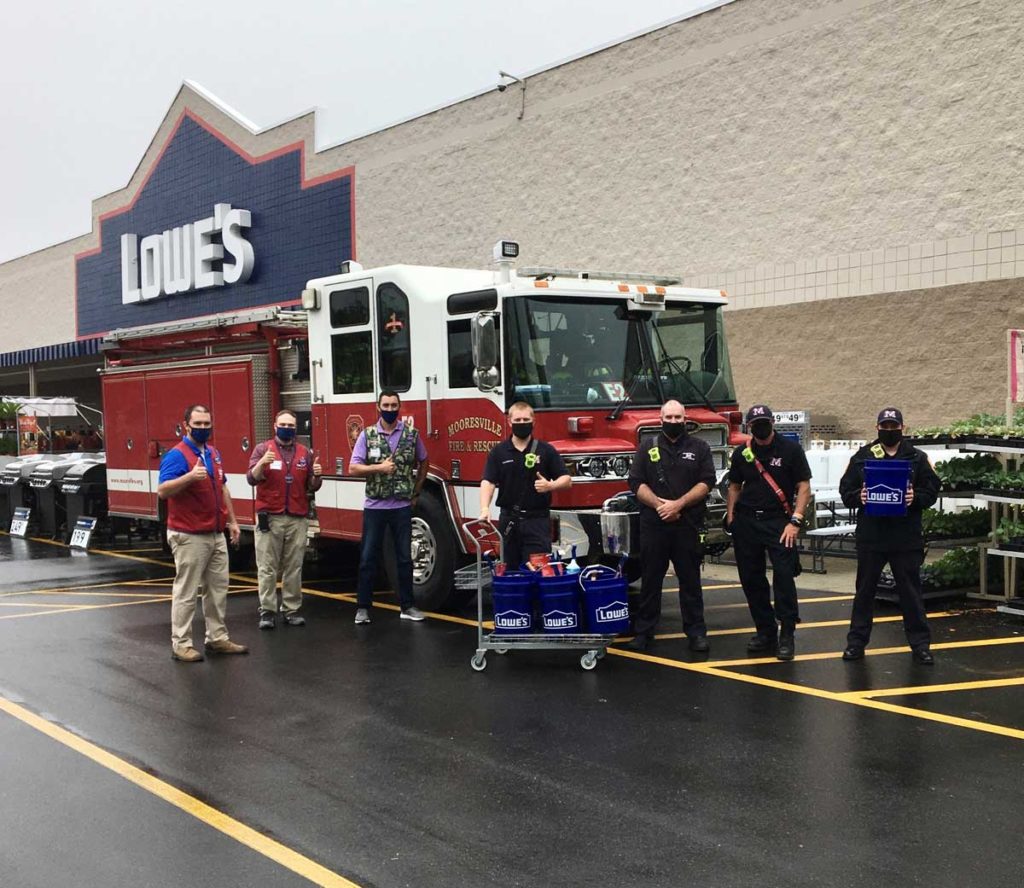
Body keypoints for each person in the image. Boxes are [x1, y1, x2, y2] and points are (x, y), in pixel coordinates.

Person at [839, 407, 941, 664]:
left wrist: (914, 498)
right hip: (872, 537)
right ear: (877, 429)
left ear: (902, 428)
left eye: (893, 427)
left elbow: (931, 491)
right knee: (864, 592)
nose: (889, 431)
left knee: (910, 593)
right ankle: (856, 643)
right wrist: (857, 498)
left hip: (905, 538)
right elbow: (846, 489)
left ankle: (920, 646)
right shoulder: (862, 457)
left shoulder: (917, 458)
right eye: (884, 427)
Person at [157, 404, 248, 662]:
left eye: (207, 424)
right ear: (186, 425)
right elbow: (163, 491)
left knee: (218, 589)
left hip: (215, 533)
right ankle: (181, 644)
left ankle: (217, 638)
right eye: (198, 424)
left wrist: (232, 521)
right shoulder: (177, 455)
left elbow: (224, 489)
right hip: (189, 535)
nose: (203, 428)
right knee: (186, 591)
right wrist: (190, 477)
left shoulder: (213, 453)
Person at [626, 399, 716, 653]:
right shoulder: (647, 447)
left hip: (687, 524)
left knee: (690, 582)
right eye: (670, 417)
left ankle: (697, 633)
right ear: (661, 418)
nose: (674, 422)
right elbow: (636, 482)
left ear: (685, 419)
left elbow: (706, 482)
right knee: (651, 581)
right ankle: (644, 633)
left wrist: (678, 505)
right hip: (654, 525)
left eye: (679, 418)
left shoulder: (699, 447)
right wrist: (659, 506)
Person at [725, 404, 812, 661]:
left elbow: (804, 486)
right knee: (751, 579)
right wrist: (731, 517)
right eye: (755, 423)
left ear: (772, 422)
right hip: (747, 523)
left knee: (784, 578)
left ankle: (787, 634)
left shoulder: (790, 450)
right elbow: (734, 485)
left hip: (780, 523)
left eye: (764, 421)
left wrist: (795, 521)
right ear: (749, 427)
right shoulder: (742, 454)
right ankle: (765, 631)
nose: (760, 426)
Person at [349, 391, 429, 625]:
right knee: (368, 558)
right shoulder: (368, 435)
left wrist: (416, 491)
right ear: (378, 407)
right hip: (375, 506)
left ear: (400, 406)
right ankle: (363, 607)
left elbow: (424, 460)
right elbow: (354, 468)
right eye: (386, 405)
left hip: (402, 506)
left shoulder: (412, 435)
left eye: (394, 405)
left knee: (405, 558)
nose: (390, 409)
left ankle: (407, 606)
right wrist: (379, 468)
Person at [247, 409, 323, 630]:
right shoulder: (262, 449)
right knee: (267, 566)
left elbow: (312, 485)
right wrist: (262, 462)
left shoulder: (304, 452)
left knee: (294, 566)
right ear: (275, 426)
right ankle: (267, 611)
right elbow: (251, 477)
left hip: (297, 517)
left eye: (291, 425)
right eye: (283, 424)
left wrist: (317, 474)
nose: (287, 428)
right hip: (270, 517)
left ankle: (291, 609)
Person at [479, 402, 572, 566]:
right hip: (509, 521)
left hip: (537, 521)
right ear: (509, 422)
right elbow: (488, 481)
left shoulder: (546, 450)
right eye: (518, 420)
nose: (522, 423)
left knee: (537, 569)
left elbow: (566, 480)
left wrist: (551, 486)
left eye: (525, 420)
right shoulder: (498, 452)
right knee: (510, 572)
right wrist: (485, 508)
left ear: (533, 422)